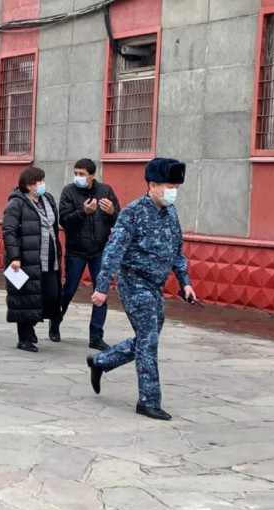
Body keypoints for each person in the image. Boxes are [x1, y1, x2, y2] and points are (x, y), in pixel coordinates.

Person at [88, 157, 197, 421]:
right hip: (134, 283)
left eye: (176, 187)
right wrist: (102, 288)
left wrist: (185, 282)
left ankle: (101, 361)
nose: (173, 191)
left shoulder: (171, 212)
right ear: (152, 185)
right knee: (148, 340)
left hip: (156, 286)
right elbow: (113, 251)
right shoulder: (132, 213)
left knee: (148, 338)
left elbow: (176, 251)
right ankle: (148, 400)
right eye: (169, 186)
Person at [53, 158, 120, 348]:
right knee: (69, 290)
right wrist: (83, 212)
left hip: (99, 251)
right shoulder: (69, 192)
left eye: (82, 174)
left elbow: (119, 220)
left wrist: (112, 212)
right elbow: (64, 220)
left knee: (101, 292)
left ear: (92, 175)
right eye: (76, 173)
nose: (78, 177)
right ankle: (55, 323)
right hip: (76, 251)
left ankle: (96, 336)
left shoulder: (105, 191)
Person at [2, 167, 63, 352]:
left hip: (49, 257)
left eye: (43, 180)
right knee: (26, 298)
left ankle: (32, 325)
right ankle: (24, 338)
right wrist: (15, 256)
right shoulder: (16, 203)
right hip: (26, 258)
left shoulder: (48, 199)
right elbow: (9, 232)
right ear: (28, 185)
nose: (42, 184)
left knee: (51, 296)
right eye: (39, 181)